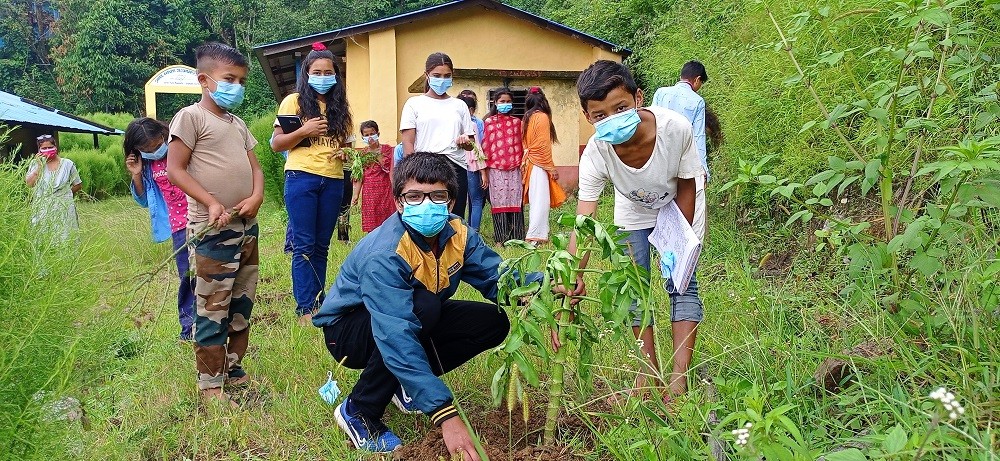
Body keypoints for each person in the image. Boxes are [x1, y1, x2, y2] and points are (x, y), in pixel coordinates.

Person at [313, 153, 512, 458]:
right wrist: (445, 413)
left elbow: (499, 278)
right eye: (415, 196)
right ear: (398, 202)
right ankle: (359, 410)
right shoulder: (386, 253)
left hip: (409, 315)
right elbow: (395, 334)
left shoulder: (458, 233)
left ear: (451, 201)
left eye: (437, 196)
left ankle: (401, 385)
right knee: (425, 308)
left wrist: (548, 287)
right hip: (348, 332)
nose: (427, 205)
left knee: (493, 321)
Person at [564, 60, 705, 400]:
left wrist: (678, 242)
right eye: (600, 115)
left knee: (681, 282)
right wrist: (572, 273)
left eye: (621, 108)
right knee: (634, 286)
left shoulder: (675, 129)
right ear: (588, 118)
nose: (611, 119)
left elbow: (687, 185)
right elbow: (585, 221)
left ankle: (678, 377)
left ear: (638, 98)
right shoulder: (597, 154)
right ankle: (649, 371)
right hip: (634, 207)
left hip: (680, 203)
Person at [166, 42, 264, 404]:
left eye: (240, 80)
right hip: (212, 232)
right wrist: (209, 201)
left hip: (245, 229)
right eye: (229, 79)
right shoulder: (190, 118)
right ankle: (210, 385)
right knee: (212, 307)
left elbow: (255, 168)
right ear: (204, 79)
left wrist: (256, 196)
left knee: (241, 303)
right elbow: (175, 169)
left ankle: (233, 371)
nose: (236, 86)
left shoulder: (238, 124)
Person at [270, 42, 354, 324]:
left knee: (322, 245)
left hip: (332, 180)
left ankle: (318, 302)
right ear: (306, 73)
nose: (322, 76)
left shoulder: (340, 108)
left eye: (327, 72)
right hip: (301, 177)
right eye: (316, 71)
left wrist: (346, 153)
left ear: (335, 75)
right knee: (303, 245)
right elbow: (276, 143)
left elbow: (350, 149)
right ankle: (304, 308)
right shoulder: (293, 102)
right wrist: (305, 129)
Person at [124, 117, 194, 341]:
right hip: (177, 226)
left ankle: (216, 320)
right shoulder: (146, 166)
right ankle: (188, 328)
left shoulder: (180, 147)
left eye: (156, 145)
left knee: (210, 272)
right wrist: (136, 174)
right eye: (147, 149)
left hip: (201, 217)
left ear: (163, 135)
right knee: (187, 276)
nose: (154, 151)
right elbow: (144, 200)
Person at [399, 52, 476, 218]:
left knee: (454, 216)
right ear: (427, 75)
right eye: (437, 75)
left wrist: (465, 142)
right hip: (424, 167)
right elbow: (408, 143)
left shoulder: (460, 105)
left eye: (447, 76)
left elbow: (471, 143)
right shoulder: (414, 104)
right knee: (426, 215)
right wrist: (412, 174)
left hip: (455, 168)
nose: (442, 79)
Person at [651, 60, 711, 239]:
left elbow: (651, 125)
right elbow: (698, 137)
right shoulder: (697, 101)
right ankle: (688, 254)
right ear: (697, 80)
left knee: (666, 210)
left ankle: (666, 248)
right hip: (685, 164)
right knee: (693, 214)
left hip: (660, 162)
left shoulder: (661, 93)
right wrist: (704, 171)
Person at [521, 87, 565, 245]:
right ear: (543, 101)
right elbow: (543, 146)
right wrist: (551, 168)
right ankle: (535, 236)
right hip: (538, 165)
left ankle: (541, 233)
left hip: (530, 164)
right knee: (541, 201)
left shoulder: (527, 117)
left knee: (537, 200)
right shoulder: (543, 117)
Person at [482, 88, 525, 244]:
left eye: (508, 102)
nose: (505, 104)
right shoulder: (489, 122)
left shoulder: (517, 123)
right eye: (502, 102)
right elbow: (485, 147)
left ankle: (517, 238)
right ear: (495, 103)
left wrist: (523, 168)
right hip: (495, 169)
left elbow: (521, 146)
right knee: (499, 202)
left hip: (515, 168)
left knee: (515, 201)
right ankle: (500, 239)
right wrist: (484, 172)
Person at [25, 134, 82, 245]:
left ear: (55, 147)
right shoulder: (34, 164)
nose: (47, 150)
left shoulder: (67, 164)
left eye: (50, 147)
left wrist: (65, 195)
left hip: (64, 207)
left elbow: (78, 184)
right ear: (39, 150)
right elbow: (30, 184)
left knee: (65, 237)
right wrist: (39, 166)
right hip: (42, 207)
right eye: (44, 148)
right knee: (43, 238)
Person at [350, 120, 396, 232]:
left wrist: (376, 153)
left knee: (387, 220)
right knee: (372, 223)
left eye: (372, 134)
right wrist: (355, 195)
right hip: (369, 192)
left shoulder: (388, 150)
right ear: (363, 137)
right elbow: (359, 175)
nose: (370, 137)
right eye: (366, 135)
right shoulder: (362, 154)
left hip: (385, 190)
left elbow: (388, 168)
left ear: (378, 134)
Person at [457, 94, 488, 231]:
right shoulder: (472, 125)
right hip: (472, 167)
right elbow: (477, 149)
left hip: (457, 165)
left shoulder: (452, 124)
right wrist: (483, 172)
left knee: (459, 201)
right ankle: (473, 231)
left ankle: (462, 230)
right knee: (476, 201)